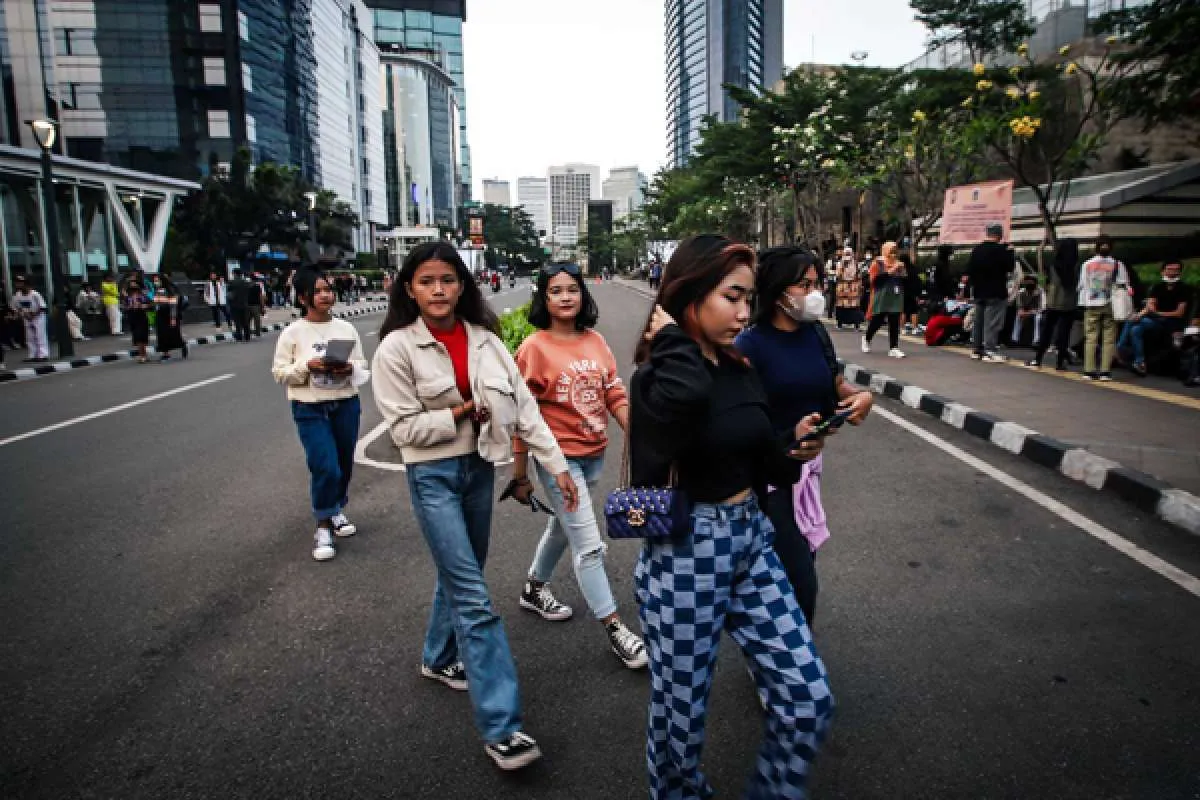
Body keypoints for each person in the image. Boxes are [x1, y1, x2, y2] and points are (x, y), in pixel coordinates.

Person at [630, 234, 834, 798]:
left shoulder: (740, 367)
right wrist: (671, 335)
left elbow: (760, 457)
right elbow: (691, 396)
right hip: (686, 554)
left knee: (807, 697)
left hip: (752, 538)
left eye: (750, 298)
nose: (745, 312)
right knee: (681, 724)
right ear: (690, 295)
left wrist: (791, 445)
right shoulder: (661, 379)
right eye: (732, 296)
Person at [371, 241, 578, 771]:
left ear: (463, 285)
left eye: (447, 280)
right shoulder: (396, 348)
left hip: (477, 473)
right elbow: (403, 429)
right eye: (426, 281)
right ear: (409, 289)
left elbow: (525, 408)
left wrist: (555, 466)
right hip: (432, 475)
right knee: (473, 596)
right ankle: (503, 728)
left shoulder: (485, 341)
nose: (438, 290)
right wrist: (462, 411)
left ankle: (438, 658)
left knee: (462, 569)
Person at [509, 262, 647, 669]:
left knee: (563, 525)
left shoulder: (596, 341)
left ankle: (534, 588)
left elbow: (613, 392)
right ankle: (616, 629)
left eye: (573, 289)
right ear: (544, 298)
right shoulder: (534, 349)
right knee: (588, 545)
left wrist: (638, 431)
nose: (566, 297)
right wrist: (520, 474)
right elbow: (523, 416)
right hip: (559, 462)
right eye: (556, 291)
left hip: (593, 453)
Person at [736, 246, 873, 624]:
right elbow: (740, 417)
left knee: (796, 561)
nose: (814, 293)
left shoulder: (816, 334)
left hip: (808, 470)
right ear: (778, 291)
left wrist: (860, 398)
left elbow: (837, 385)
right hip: (769, 475)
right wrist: (786, 436)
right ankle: (789, 666)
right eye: (803, 285)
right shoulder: (749, 345)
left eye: (816, 283)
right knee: (800, 580)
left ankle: (775, 646)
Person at [272, 268, 365, 561]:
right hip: (310, 408)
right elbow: (280, 374)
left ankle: (336, 509)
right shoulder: (292, 333)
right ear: (303, 297)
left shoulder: (345, 329)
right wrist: (307, 366)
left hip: (345, 404)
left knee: (344, 464)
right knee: (325, 466)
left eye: (328, 289)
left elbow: (361, 364)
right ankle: (323, 525)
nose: (326, 295)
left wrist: (348, 368)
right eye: (318, 291)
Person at [1117, 259, 1190, 377]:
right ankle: (1140, 362)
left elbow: (1179, 313)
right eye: (1169, 269)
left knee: (1140, 323)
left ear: (1180, 273)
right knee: (1135, 325)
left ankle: (1120, 349)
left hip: (1172, 323)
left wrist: (1158, 313)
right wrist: (1139, 315)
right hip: (1155, 321)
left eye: (1176, 270)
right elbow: (1150, 306)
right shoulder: (1158, 287)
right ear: (1163, 272)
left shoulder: (1184, 289)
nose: (1172, 273)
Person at [1077, 235, 1131, 382]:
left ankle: (1089, 370)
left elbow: (1082, 285)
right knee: (1109, 338)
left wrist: (1083, 303)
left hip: (1091, 303)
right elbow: (1123, 283)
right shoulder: (1117, 265)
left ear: (1096, 246)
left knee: (1091, 337)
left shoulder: (1087, 264)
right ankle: (1105, 371)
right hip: (1110, 304)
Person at [1026, 239, 1079, 371]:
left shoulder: (1053, 266)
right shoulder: (1077, 267)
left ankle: (1038, 359)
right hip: (1070, 304)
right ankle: (1060, 363)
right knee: (1064, 335)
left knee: (1046, 332)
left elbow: (1043, 283)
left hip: (1053, 302)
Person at [967, 223, 1014, 362]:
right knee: (992, 322)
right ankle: (990, 350)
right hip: (996, 291)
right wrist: (1010, 251)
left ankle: (977, 349)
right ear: (999, 234)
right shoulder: (1001, 250)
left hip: (979, 291)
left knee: (979, 322)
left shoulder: (977, 250)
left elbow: (970, 270)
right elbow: (1009, 268)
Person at [862, 240, 906, 358]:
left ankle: (893, 347)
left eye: (895, 252)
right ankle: (867, 338)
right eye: (891, 252)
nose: (893, 255)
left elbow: (904, 279)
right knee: (877, 319)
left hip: (895, 294)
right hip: (882, 294)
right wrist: (891, 270)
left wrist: (902, 272)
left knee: (894, 320)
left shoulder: (899, 263)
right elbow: (875, 281)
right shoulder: (878, 263)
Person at [10, 275, 49, 362]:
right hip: (26, 317)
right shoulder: (17, 295)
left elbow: (43, 307)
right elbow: (14, 307)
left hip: (38, 317)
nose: (18, 285)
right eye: (17, 283)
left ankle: (43, 354)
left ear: (26, 284)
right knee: (30, 337)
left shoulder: (35, 294)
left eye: (20, 283)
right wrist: (21, 313)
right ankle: (32, 355)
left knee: (40, 335)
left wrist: (34, 314)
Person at [151, 275, 188, 361]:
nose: (156, 282)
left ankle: (182, 345)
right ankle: (165, 353)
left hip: (169, 314)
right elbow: (155, 303)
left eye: (157, 281)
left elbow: (173, 306)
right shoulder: (157, 291)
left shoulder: (170, 290)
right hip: (160, 315)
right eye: (155, 281)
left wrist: (173, 318)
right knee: (161, 334)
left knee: (174, 333)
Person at [121, 273, 153, 363]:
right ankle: (141, 355)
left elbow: (151, 305)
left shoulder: (143, 296)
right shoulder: (128, 298)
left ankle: (144, 355)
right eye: (132, 289)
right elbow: (124, 307)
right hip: (133, 317)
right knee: (138, 337)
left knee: (143, 336)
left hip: (142, 317)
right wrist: (130, 307)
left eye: (135, 288)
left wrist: (144, 306)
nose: (134, 291)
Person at [834, 246, 863, 330]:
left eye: (849, 254)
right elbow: (838, 275)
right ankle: (840, 324)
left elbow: (859, 275)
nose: (847, 256)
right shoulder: (840, 263)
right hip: (842, 286)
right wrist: (843, 266)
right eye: (846, 254)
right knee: (841, 306)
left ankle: (856, 325)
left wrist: (859, 285)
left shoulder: (856, 264)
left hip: (853, 287)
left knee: (855, 306)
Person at [1010, 274, 1043, 346]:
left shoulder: (1040, 292)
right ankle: (1014, 339)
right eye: (1027, 282)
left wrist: (1030, 313)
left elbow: (1041, 307)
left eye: (1031, 282)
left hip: (1037, 311)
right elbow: (1019, 306)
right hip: (1025, 311)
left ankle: (1036, 340)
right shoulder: (1021, 292)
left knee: (1038, 318)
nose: (1029, 284)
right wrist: (1022, 312)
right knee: (1018, 317)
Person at [226, 268, 252, 341]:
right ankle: (247, 336)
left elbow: (229, 294)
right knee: (245, 321)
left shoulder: (232, 282)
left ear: (234, 274)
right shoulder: (246, 283)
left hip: (235, 305)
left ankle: (239, 336)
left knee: (237, 321)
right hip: (244, 304)